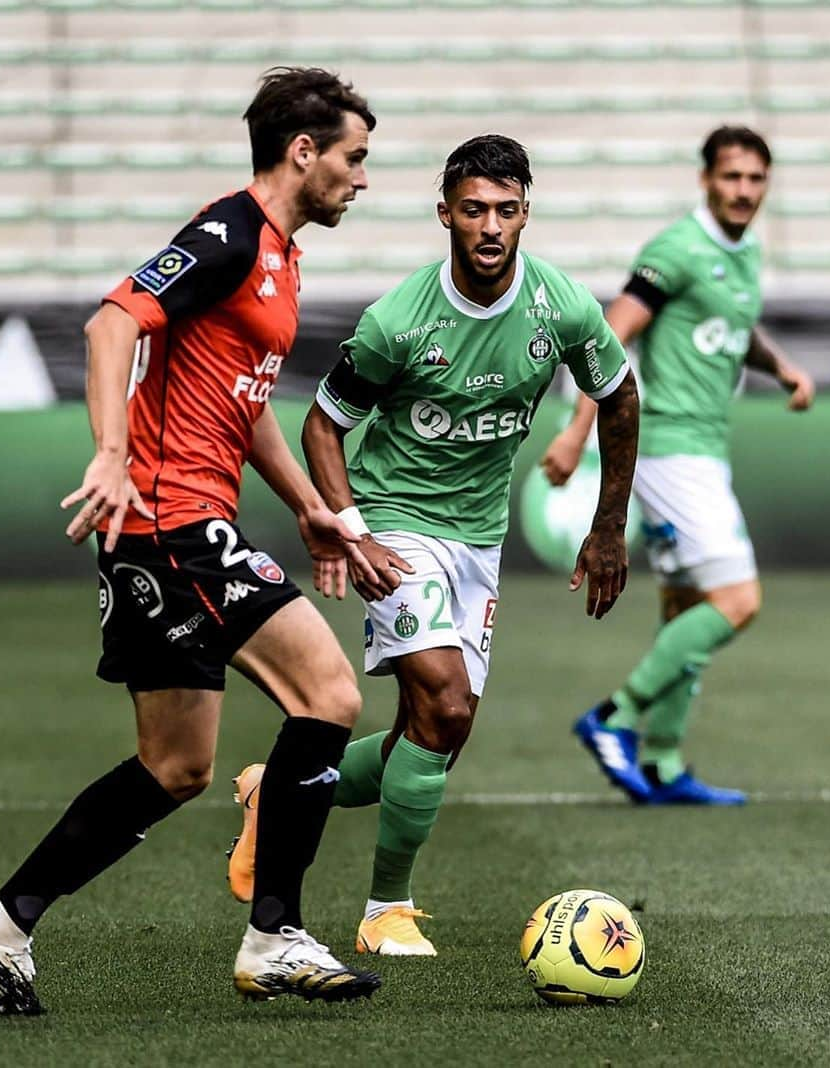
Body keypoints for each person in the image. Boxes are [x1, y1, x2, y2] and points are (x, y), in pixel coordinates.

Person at [0, 67, 386, 1014]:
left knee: (176, 766)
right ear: (302, 152)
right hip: (176, 523)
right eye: (353, 157)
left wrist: (308, 506)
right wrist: (111, 454)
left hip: (165, 533)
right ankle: (275, 937)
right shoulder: (228, 234)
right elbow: (112, 324)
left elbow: (246, 405)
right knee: (331, 693)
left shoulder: (279, 255)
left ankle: (2, 922)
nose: (361, 177)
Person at [226, 134, 639, 956]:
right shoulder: (400, 322)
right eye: (475, 210)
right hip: (396, 523)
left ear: (527, 215)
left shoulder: (561, 307)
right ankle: (387, 910)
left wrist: (608, 527)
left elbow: (620, 397)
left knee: (439, 733)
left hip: (477, 539)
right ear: (444, 214)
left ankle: (274, 791)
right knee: (444, 703)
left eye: (507, 211)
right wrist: (352, 529)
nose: (491, 227)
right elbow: (322, 425)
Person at [541, 125, 815, 805]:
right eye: (731, 177)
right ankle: (616, 717)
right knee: (737, 600)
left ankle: (662, 764)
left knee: (685, 606)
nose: (743, 191)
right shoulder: (677, 249)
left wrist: (781, 368)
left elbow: (733, 323)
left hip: (703, 447)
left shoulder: (743, 251)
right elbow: (612, 333)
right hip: (669, 448)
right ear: (706, 180)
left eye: (755, 180)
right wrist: (579, 429)